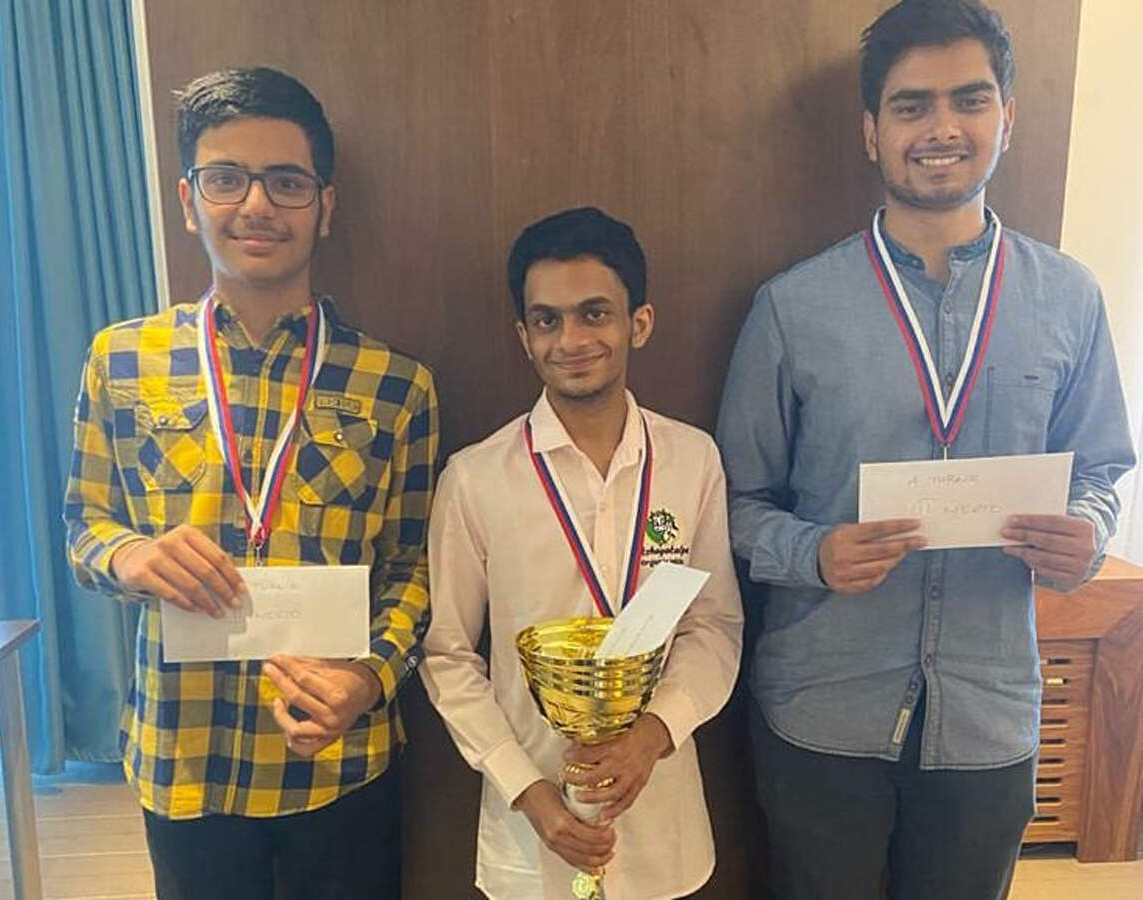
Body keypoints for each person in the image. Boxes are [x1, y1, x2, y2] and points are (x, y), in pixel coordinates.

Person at [715, 2, 1135, 898]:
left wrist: (1089, 531)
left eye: (969, 100)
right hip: (823, 707)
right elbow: (734, 504)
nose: (942, 128)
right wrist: (814, 553)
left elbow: (1105, 467)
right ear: (872, 132)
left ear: (1006, 117)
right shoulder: (793, 308)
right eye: (912, 106)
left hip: (988, 714)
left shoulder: (1069, 298)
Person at [64, 67, 437, 899]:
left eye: (287, 182)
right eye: (227, 178)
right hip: (183, 757)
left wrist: (368, 679)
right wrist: (128, 557)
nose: (257, 205)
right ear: (188, 199)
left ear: (324, 206)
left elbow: (414, 568)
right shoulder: (120, 361)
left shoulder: (396, 385)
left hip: (339, 760)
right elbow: (84, 524)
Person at [420, 206, 744, 899]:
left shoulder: (691, 460)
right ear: (524, 336)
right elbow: (447, 653)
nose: (570, 340)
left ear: (639, 323)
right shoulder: (475, 478)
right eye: (547, 320)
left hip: (662, 820)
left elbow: (714, 626)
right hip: (533, 823)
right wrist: (528, 791)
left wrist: (651, 736)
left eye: (595, 314)